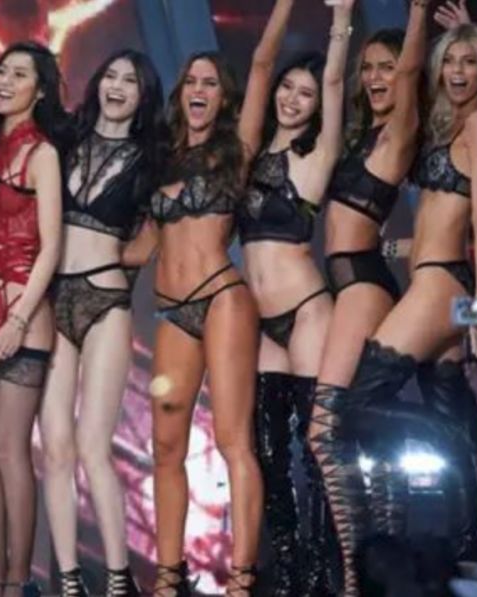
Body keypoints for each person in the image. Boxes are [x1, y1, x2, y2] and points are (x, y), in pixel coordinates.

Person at [321, 22, 477, 596]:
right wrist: (393, 250)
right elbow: (440, 214)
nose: (459, 72)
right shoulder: (447, 124)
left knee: (356, 405)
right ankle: (468, 546)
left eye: (471, 61)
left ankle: (458, 459)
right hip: (435, 278)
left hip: (446, 286)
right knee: (454, 404)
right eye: (451, 61)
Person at [145, 1, 297, 594]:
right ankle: (168, 575)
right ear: (181, 93)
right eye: (192, 82)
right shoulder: (162, 159)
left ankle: (241, 577)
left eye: (210, 83)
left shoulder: (237, 147)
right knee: (165, 446)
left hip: (222, 299)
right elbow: (142, 247)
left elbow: (260, 64)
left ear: (224, 97)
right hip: (173, 311)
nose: (199, 90)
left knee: (234, 439)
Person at [306, 1, 432, 593]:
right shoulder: (362, 135)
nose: (378, 77)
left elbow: (411, 74)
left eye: (387, 67)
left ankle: (359, 578)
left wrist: (419, 15)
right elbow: (335, 84)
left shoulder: (401, 129)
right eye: (370, 68)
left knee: (323, 430)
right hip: (351, 278)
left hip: (362, 284)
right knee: (364, 432)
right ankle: (385, 572)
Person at [235, 2, 353, 594]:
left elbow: (334, 80)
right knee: (266, 449)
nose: (293, 99)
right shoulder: (248, 153)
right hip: (260, 322)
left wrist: (342, 19)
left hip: (307, 310)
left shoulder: (316, 158)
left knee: (316, 444)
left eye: (305, 95)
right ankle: (285, 569)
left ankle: (325, 573)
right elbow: (259, 64)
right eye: (288, 88)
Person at [38, 48, 161, 597]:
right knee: (55, 449)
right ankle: (68, 580)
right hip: (52, 300)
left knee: (93, 446)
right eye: (109, 75)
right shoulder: (65, 142)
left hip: (105, 301)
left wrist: (105, 255)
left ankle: (118, 580)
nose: (115, 86)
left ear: (143, 95)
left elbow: (146, 246)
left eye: (129, 81)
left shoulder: (151, 161)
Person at [0, 41, 65, 597]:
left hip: (23, 307)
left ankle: (19, 583)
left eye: (19, 74)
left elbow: (51, 247)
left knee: (9, 447)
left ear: (40, 89)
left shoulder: (43, 153)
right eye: (2, 71)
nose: (5, 81)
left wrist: (19, 320)